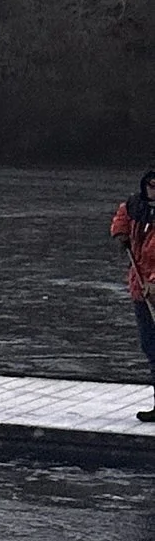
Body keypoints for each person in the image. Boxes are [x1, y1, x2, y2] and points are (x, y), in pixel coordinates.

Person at [114, 171, 155, 419]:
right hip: (141, 292)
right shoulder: (137, 207)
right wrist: (121, 233)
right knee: (151, 348)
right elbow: (122, 215)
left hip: (151, 287)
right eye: (151, 185)